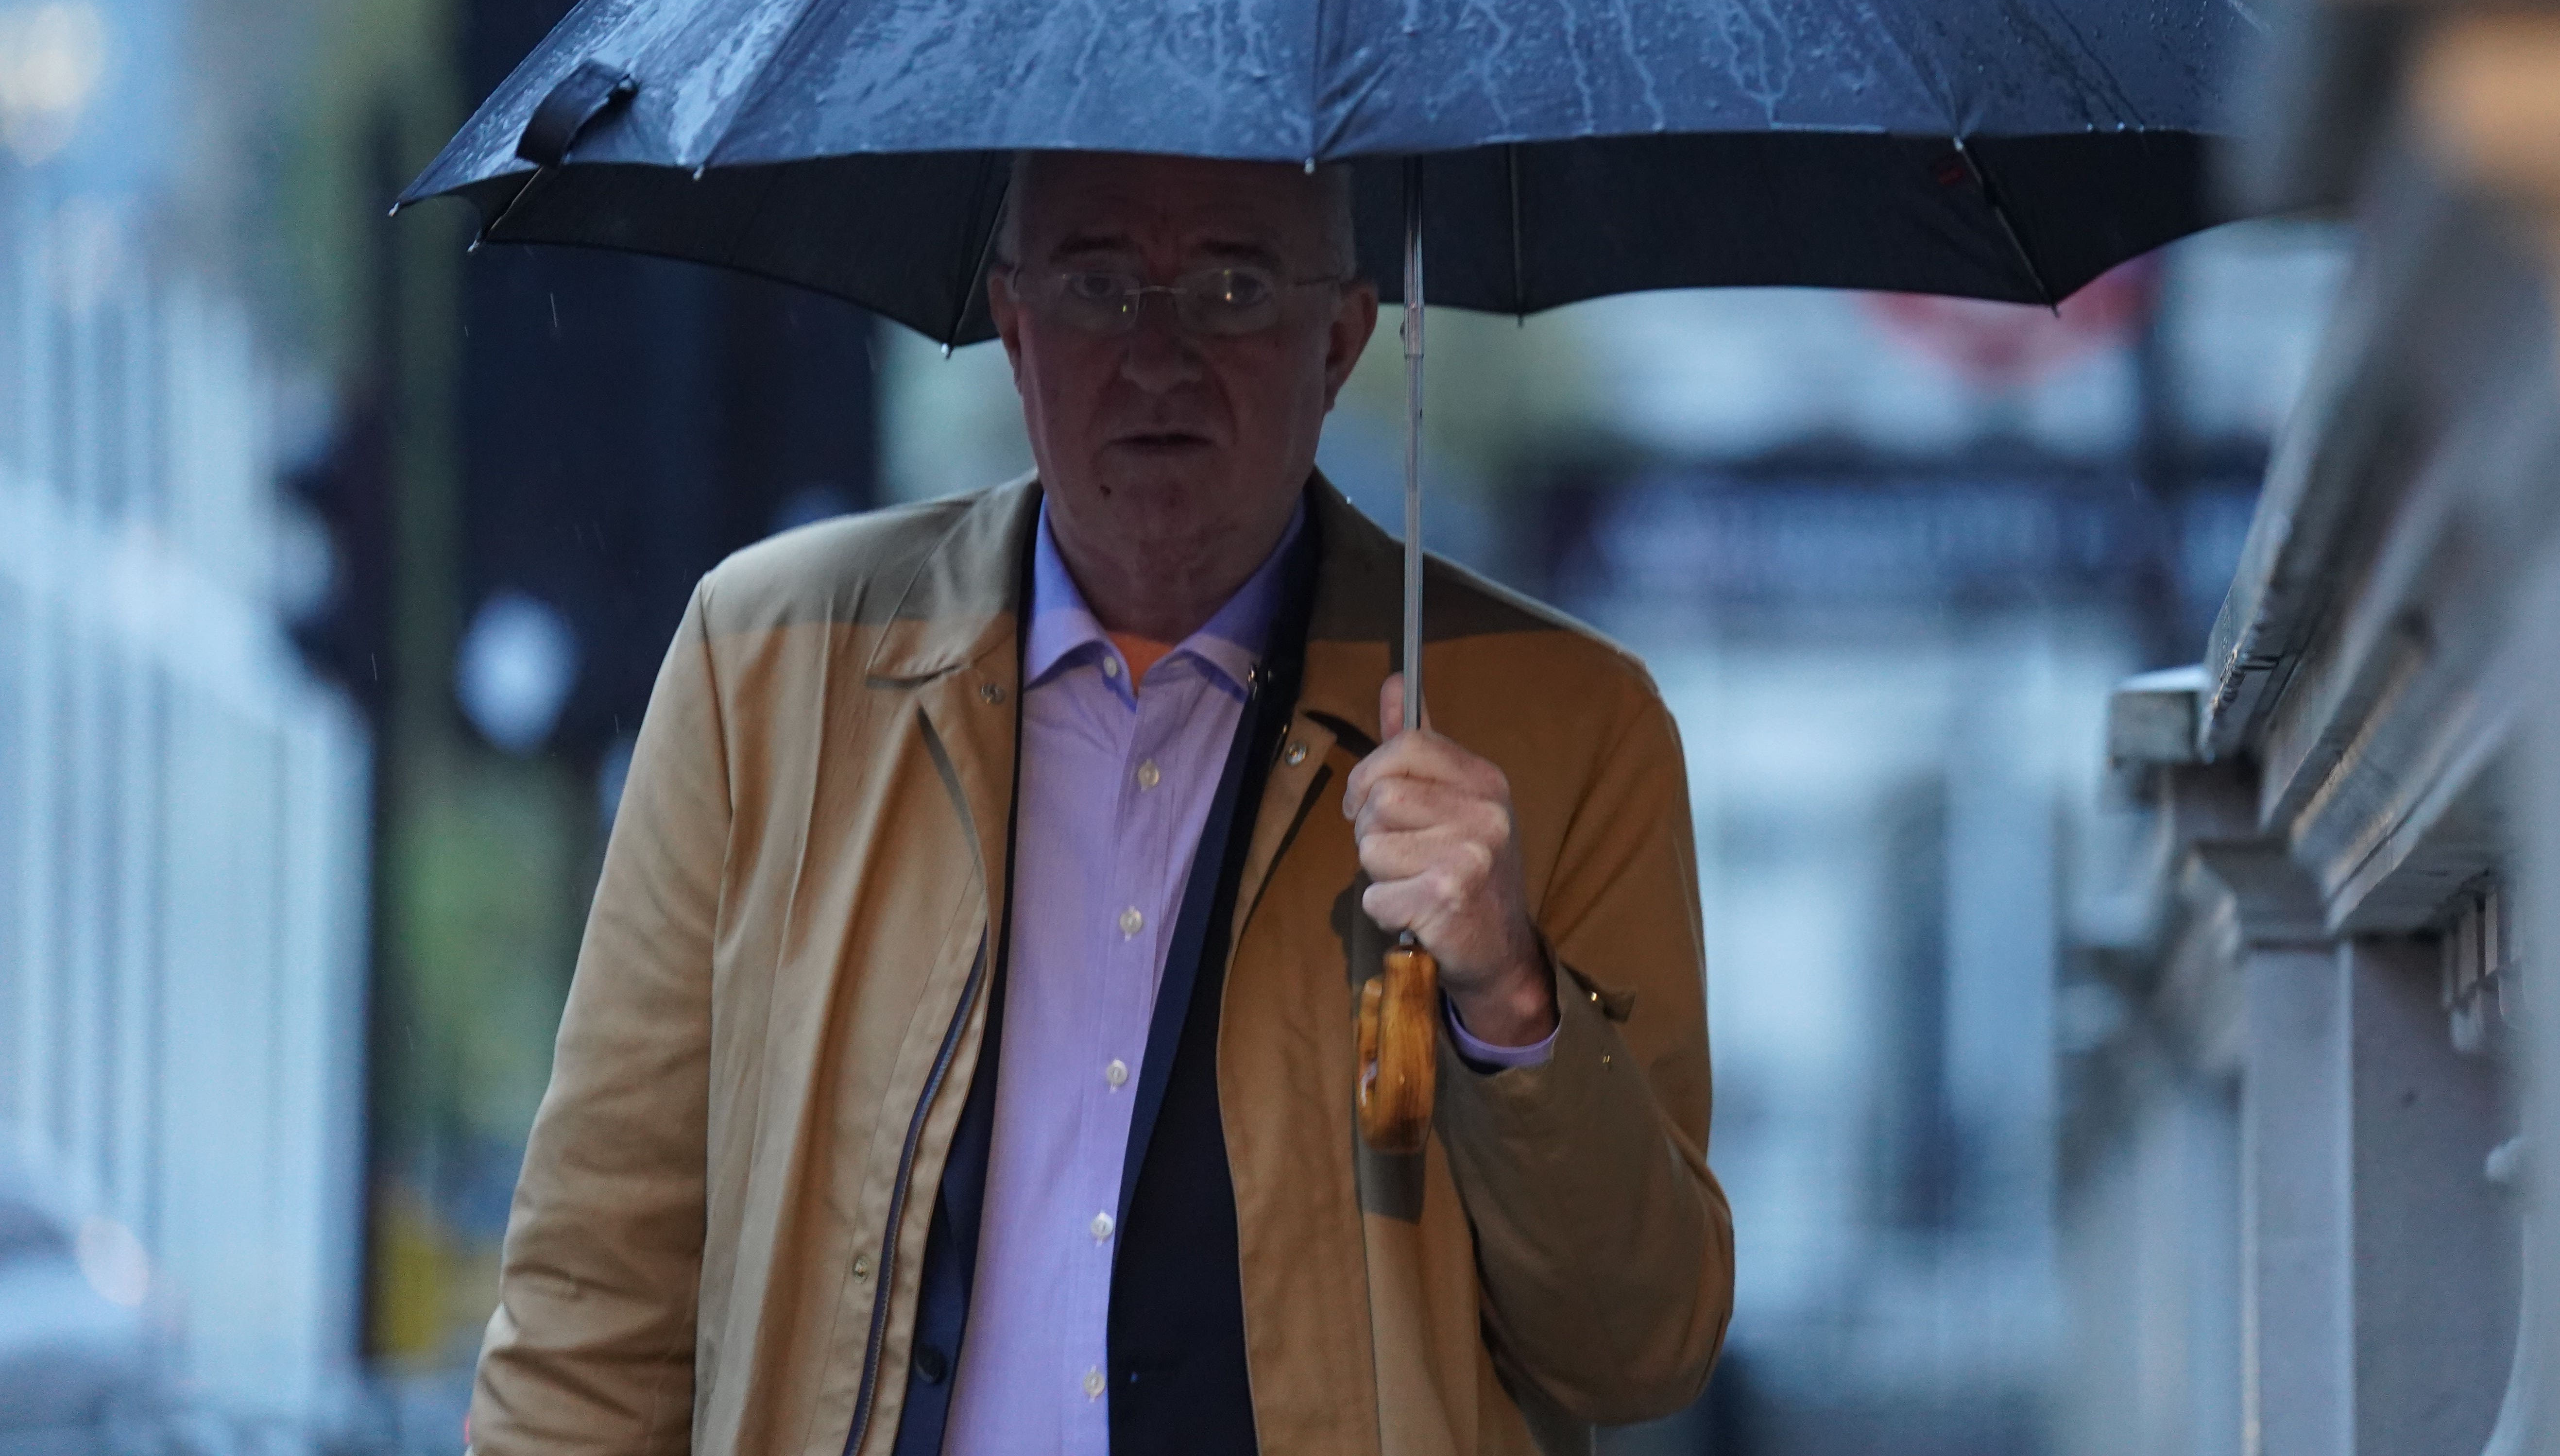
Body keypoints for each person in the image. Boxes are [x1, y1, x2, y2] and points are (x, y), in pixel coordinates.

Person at [470, 151, 1730, 1456]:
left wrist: (1509, 1003)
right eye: (1098, 284)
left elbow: (1639, 1348)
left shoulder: (1566, 726)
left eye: (1236, 286)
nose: (1161, 354)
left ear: (1344, 337)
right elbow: (598, 1299)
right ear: (1014, 326)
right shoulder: (774, 663)